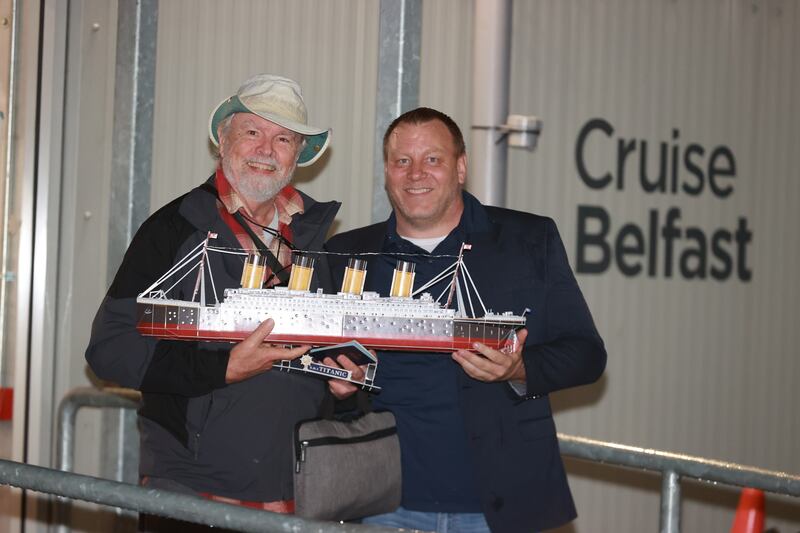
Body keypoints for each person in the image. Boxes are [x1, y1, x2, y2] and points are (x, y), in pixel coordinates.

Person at [86, 74, 359, 531]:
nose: (266, 150)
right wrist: (223, 368)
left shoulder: (315, 239)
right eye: (252, 132)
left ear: (299, 156)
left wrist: (344, 389)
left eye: (283, 138)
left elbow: (329, 351)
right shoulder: (174, 229)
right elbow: (111, 348)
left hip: (295, 500)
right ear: (223, 142)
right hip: (193, 500)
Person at [325, 107, 607, 533]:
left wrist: (521, 368)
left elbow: (587, 354)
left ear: (461, 167)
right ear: (387, 171)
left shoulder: (528, 240)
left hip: (503, 508)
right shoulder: (346, 253)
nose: (415, 173)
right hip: (381, 503)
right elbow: (308, 371)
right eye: (402, 161)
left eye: (432, 159)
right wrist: (338, 384)